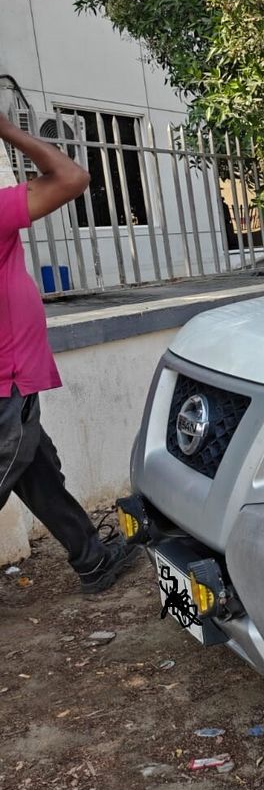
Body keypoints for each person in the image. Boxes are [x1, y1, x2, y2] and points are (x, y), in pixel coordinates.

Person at [0, 114, 139, 593]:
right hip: (6, 383)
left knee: (39, 473)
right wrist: (11, 132)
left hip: (12, 381)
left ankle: (93, 560)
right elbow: (73, 178)